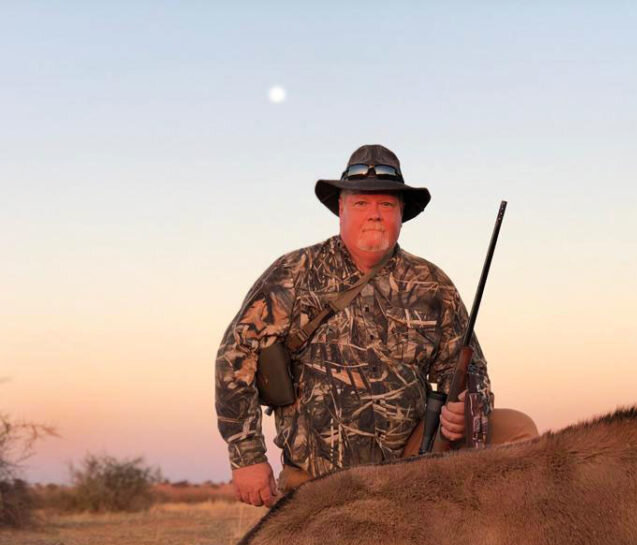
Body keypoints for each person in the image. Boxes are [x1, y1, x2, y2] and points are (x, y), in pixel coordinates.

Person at [215, 145, 537, 506]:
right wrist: (247, 457)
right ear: (341, 209)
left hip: (412, 469)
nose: (374, 215)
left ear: (401, 213)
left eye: (386, 205)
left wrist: (467, 411)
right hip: (319, 480)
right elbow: (236, 355)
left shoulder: (432, 285)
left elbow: (469, 370)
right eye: (361, 204)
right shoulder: (294, 273)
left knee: (518, 430)